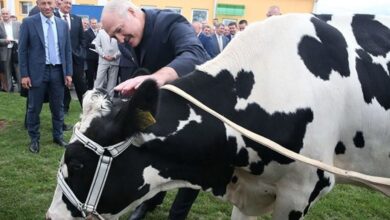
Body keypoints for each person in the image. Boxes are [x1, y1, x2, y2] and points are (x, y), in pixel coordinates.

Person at [101, 0, 210, 219]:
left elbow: (196, 55)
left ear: (132, 12)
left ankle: (177, 215)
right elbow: (135, 73)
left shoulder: (171, 22)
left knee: (191, 162)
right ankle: (148, 202)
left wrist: (156, 78)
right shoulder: (126, 40)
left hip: (192, 112)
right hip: (156, 110)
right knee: (148, 152)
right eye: (114, 37)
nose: (121, 40)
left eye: (120, 31)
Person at [19, 0, 73, 153]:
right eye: (43, 3)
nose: (47, 7)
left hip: (58, 71)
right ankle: (34, 139)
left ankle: (58, 136)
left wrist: (68, 72)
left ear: (55, 3)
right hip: (37, 72)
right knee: (33, 108)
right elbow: (22, 51)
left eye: (50, 3)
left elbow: (67, 50)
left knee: (58, 107)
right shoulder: (29, 22)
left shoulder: (62, 24)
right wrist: (24, 75)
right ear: (37, 4)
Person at [56, 0, 87, 113]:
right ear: (60, 3)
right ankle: (64, 107)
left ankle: (85, 106)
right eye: (66, 2)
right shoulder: (53, 17)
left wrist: (81, 53)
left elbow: (82, 39)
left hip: (76, 59)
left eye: (70, 3)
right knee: (62, 83)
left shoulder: (77, 19)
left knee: (80, 83)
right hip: (59, 59)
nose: (68, 5)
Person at [0, 8, 21, 92]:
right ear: (1, 15)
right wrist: (5, 41)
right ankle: (9, 89)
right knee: (7, 70)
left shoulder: (18, 24)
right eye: (3, 14)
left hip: (16, 49)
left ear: (10, 14)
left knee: (18, 70)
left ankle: (21, 89)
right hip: (5, 50)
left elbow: (23, 35)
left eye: (6, 13)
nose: (5, 15)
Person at [84, 18, 99, 89]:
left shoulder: (99, 32)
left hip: (98, 56)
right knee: (90, 73)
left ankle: (96, 88)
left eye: (95, 23)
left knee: (98, 74)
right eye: (93, 23)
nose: (94, 24)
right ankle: (90, 88)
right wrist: (97, 46)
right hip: (90, 57)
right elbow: (86, 44)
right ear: (90, 24)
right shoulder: (87, 32)